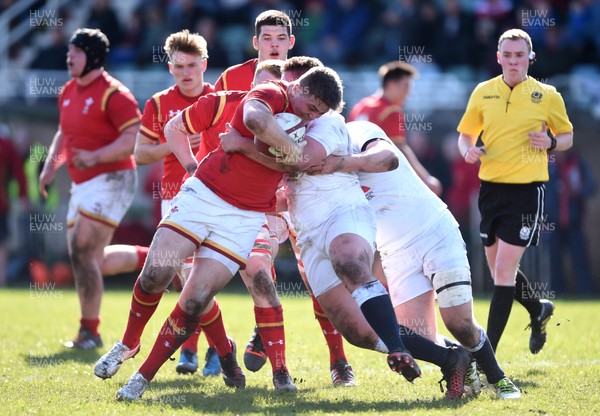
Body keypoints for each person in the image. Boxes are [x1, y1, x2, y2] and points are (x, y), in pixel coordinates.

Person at [96, 65, 342, 400]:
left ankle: (141, 379)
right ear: (298, 87)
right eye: (311, 107)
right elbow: (255, 120)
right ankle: (128, 343)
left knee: (196, 299)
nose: (311, 116)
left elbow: (291, 164)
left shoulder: (312, 124)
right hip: (205, 194)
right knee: (156, 272)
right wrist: (290, 153)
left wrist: (250, 148)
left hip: (244, 218)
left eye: (318, 113)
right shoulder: (271, 93)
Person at [219, 90, 474, 400]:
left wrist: (244, 145)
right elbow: (285, 193)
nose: (302, 106)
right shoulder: (287, 124)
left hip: (346, 219)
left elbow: (378, 158)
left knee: (350, 263)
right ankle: (448, 357)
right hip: (309, 233)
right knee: (357, 331)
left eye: (312, 104)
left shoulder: (331, 126)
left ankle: (459, 361)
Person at [308, 120, 521, 399]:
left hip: (434, 231)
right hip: (396, 253)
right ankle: (461, 361)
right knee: (422, 337)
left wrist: (342, 162)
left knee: (460, 323)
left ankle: (498, 377)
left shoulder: (356, 132)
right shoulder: (316, 159)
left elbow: (388, 157)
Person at [457, 28, 574, 354]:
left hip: (527, 191)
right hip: (491, 190)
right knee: (498, 271)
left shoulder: (547, 95)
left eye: (519, 55)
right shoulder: (483, 92)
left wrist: (550, 142)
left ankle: (485, 355)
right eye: (507, 55)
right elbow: (465, 135)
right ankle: (538, 310)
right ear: (498, 57)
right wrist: (467, 150)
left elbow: (566, 136)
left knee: (505, 271)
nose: (512, 61)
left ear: (530, 58)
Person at [38, 28, 142, 349]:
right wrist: (49, 166)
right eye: (69, 51)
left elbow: (132, 139)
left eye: (77, 52)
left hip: (114, 179)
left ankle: (90, 331)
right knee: (87, 258)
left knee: (83, 249)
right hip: (84, 184)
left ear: (94, 56)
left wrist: (95, 156)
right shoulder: (68, 90)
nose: (69, 57)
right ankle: (161, 260)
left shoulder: (114, 93)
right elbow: (63, 132)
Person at [132, 29, 220, 377]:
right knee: (184, 279)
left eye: (193, 65)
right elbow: (140, 154)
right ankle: (202, 349)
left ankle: (210, 349)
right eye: (180, 65)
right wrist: (177, 140)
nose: (186, 72)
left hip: (218, 198)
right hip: (175, 196)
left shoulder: (220, 97)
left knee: (202, 279)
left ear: (205, 64)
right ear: (170, 68)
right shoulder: (157, 103)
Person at [347, 60, 443, 196]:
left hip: (354, 178)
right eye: (406, 86)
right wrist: (425, 178)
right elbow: (401, 148)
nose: (409, 93)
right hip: (378, 181)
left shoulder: (361, 106)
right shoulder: (391, 111)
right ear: (391, 84)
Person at [0, 126, 28, 287]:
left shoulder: (5, 142)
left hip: (1, 204)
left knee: (2, 242)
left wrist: (23, 196)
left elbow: (18, 170)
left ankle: (1, 280)